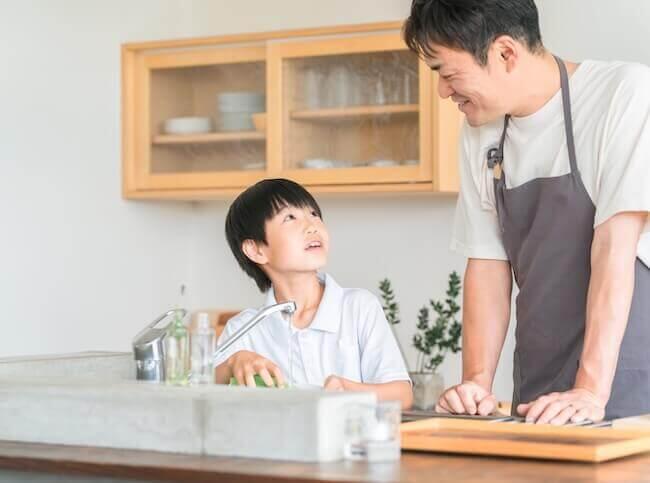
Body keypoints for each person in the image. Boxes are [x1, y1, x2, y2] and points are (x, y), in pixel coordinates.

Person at [403, 0, 650, 424]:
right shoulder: (482, 130)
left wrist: (589, 390)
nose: (442, 91)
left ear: (505, 52)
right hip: (539, 383)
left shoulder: (624, 94)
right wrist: (476, 384)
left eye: (446, 72)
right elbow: (487, 264)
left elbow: (614, 249)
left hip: (629, 377)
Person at [213, 178, 412, 408]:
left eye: (314, 214)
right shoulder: (243, 328)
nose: (311, 226)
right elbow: (198, 391)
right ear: (256, 250)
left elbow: (402, 395)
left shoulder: (359, 307)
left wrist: (347, 389)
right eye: (290, 217)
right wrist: (230, 365)